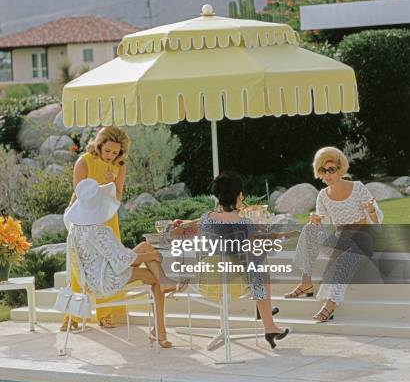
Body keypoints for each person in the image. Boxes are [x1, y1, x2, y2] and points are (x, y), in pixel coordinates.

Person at [64, 179, 182, 348]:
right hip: (105, 280)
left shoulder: (74, 228)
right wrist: (154, 255)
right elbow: (121, 261)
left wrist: (148, 254)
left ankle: (164, 285)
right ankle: (159, 330)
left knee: (144, 246)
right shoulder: (99, 231)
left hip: (90, 280)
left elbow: (118, 256)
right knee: (154, 274)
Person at [284, 147, 383, 322]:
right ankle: (306, 283)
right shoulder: (322, 195)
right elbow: (320, 224)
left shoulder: (357, 187)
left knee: (344, 261)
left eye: (332, 169)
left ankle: (330, 306)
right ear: (319, 172)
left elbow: (378, 222)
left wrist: (371, 211)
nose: (328, 174)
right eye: (323, 170)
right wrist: (315, 220)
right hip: (339, 240)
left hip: (361, 239)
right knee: (309, 228)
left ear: (340, 169)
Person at [199, 171, 290, 350]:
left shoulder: (205, 218)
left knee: (258, 270)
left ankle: (264, 312)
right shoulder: (244, 223)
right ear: (239, 195)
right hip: (230, 281)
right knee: (260, 272)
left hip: (206, 278)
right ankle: (268, 323)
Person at [61, 126, 130, 331]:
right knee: (79, 267)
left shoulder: (120, 164)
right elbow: (81, 195)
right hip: (83, 220)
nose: (111, 156)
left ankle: (106, 314)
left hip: (108, 219)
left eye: (115, 152)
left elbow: (117, 196)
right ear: (98, 145)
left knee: (109, 265)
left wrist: (110, 184)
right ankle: (72, 316)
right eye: (107, 151)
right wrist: (103, 184)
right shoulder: (84, 161)